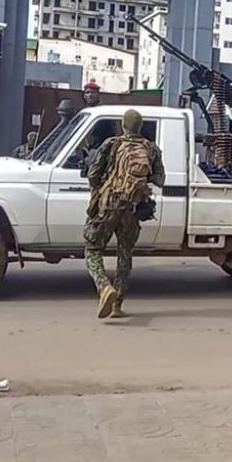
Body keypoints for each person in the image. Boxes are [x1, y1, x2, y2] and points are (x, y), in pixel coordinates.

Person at [84, 109, 165, 319]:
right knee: (125, 253)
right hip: (134, 206)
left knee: (92, 248)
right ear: (140, 127)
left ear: (123, 125)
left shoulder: (111, 144)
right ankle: (117, 304)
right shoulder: (151, 148)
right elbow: (160, 180)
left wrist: (100, 187)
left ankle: (104, 288)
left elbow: (93, 175)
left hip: (109, 203)